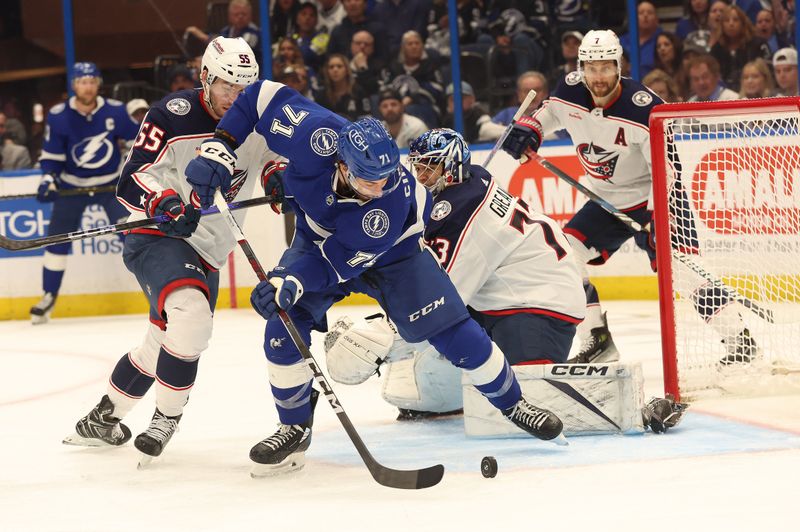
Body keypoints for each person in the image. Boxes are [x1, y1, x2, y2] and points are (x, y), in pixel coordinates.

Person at [184, 82, 566, 475]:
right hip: (316, 239)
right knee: (282, 328)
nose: (379, 187)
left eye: (385, 177)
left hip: (396, 252)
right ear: (342, 163)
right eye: (369, 180)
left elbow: (331, 267)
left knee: (453, 330)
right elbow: (257, 97)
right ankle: (294, 426)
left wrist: (287, 282)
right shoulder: (313, 133)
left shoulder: (385, 205)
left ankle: (513, 403)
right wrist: (220, 146)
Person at [63, 38, 274, 460]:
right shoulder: (170, 116)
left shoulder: (260, 117)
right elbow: (131, 178)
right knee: (192, 317)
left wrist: (279, 177)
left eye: (244, 89)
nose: (236, 98)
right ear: (206, 78)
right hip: (159, 233)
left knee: (162, 342)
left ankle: (103, 418)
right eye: (227, 87)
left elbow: (276, 158)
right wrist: (163, 201)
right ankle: (167, 417)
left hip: (210, 248)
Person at [499, 29, 758, 365]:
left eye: (606, 67)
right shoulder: (570, 90)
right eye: (591, 68)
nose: (598, 77)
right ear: (582, 67)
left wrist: (658, 219)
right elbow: (549, 115)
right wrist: (531, 131)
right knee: (564, 255)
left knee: (684, 272)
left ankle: (740, 342)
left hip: (658, 195)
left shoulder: (645, 109)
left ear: (618, 65)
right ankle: (598, 338)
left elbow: (667, 173)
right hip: (607, 199)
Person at [324, 128, 585, 419]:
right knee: (434, 376)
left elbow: (439, 300)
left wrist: (381, 342)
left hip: (537, 312)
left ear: (451, 167)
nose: (421, 177)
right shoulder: (472, 179)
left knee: (514, 405)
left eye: (429, 168)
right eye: (418, 167)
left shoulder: (459, 213)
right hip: (518, 299)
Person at [31, 62, 140, 324]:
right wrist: (49, 178)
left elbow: (139, 143)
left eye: (92, 81)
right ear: (74, 85)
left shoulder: (115, 110)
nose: (87, 86)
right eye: (82, 81)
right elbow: (53, 156)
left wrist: (131, 169)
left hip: (110, 185)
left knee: (134, 236)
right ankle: (48, 296)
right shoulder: (58, 115)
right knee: (56, 240)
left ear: (98, 84)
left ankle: (156, 291)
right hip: (72, 186)